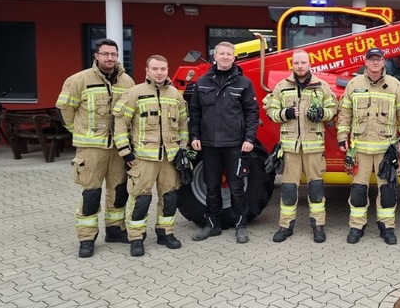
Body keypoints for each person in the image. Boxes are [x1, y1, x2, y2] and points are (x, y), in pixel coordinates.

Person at [56, 39, 135, 258]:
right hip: (91, 149)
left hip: (118, 148)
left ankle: (115, 230)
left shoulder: (127, 81)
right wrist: (79, 132)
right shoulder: (79, 80)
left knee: (119, 191)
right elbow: (64, 110)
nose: (110, 58)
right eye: (106, 54)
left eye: (114, 54)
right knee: (91, 193)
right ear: (96, 55)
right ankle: (87, 238)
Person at [112, 55, 189, 257]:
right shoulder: (134, 93)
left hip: (170, 159)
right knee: (141, 199)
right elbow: (120, 125)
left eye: (163, 68)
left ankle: (166, 233)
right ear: (147, 70)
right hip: (143, 159)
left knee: (170, 197)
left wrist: (183, 149)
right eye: (155, 68)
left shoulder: (175, 94)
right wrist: (126, 153)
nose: (159, 72)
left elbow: (182, 125)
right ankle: (136, 238)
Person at [337, 48, 400, 245]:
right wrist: (341, 136)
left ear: (383, 62)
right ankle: (356, 226)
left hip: (386, 150)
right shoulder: (354, 84)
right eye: (371, 59)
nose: (375, 63)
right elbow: (345, 114)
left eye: (378, 59)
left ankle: (386, 227)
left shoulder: (395, 85)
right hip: (360, 149)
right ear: (366, 62)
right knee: (358, 190)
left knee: (387, 190)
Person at [189, 41, 259, 244]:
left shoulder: (243, 83)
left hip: (235, 145)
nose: (226, 57)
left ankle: (240, 226)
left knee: (236, 186)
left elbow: (252, 113)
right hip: (209, 145)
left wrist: (249, 139)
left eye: (229, 54)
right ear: (215, 56)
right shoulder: (202, 83)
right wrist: (194, 136)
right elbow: (195, 112)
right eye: (222, 54)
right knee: (211, 186)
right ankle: (212, 225)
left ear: (234, 58)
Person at [264, 49, 337, 243]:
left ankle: (318, 226)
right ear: (292, 64)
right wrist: (285, 113)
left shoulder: (321, 86)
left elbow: (333, 109)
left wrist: (322, 113)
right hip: (290, 148)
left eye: (303, 62)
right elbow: (270, 110)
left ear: (309, 64)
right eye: (296, 63)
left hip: (314, 147)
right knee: (288, 188)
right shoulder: (282, 86)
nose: (300, 66)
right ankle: (285, 226)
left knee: (316, 188)